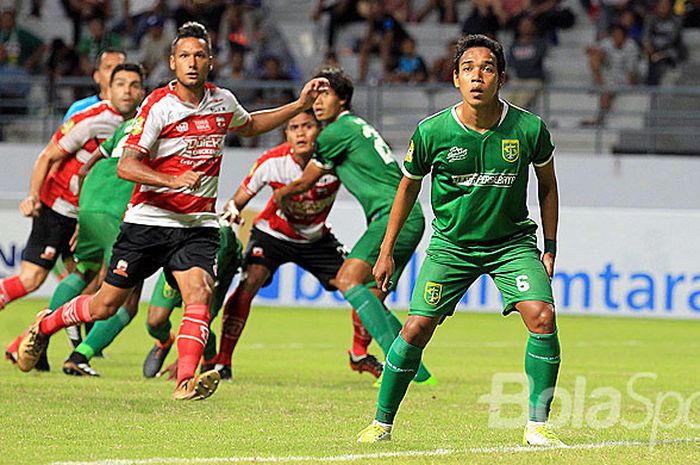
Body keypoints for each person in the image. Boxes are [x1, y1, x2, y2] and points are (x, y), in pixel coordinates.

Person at [15, 21, 329, 402]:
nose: (192, 63)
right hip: (148, 222)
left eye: (199, 55)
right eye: (184, 56)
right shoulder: (157, 106)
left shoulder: (223, 101)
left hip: (196, 225)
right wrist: (171, 180)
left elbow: (250, 125)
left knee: (199, 292)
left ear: (210, 61)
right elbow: (126, 166)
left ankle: (185, 381)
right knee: (104, 305)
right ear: (172, 61)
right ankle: (44, 325)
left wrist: (298, 105)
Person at [355, 34, 562, 446]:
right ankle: (381, 423)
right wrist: (386, 250)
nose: (477, 76)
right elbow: (407, 189)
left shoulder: (529, 128)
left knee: (542, 317)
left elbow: (548, 187)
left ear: (501, 78)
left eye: (487, 68)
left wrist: (550, 246)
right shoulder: (432, 132)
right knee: (414, 329)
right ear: (455, 79)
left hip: (511, 244)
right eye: (468, 69)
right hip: (452, 247)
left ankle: (537, 426)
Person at [273, 67, 435, 386]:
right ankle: (415, 370)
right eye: (315, 95)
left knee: (347, 278)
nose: (318, 102)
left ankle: (397, 365)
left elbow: (308, 179)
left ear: (342, 99)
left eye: (326, 95)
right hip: (408, 217)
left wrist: (282, 192)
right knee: (372, 296)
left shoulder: (335, 131)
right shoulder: (355, 128)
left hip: (392, 216)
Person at [213, 110, 382, 381]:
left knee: (368, 285)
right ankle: (223, 363)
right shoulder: (271, 162)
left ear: (319, 132)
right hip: (272, 234)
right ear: (286, 134)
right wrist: (232, 215)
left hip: (316, 239)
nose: (301, 133)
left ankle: (359, 353)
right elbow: (236, 201)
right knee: (249, 282)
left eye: (308, 126)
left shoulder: (335, 162)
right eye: (294, 128)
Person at [0, 63, 143, 316]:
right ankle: (42, 340)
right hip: (59, 209)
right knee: (32, 279)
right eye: (120, 84)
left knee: (92, 285)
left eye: (133, 85)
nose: (127, 91)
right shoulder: (92, 120)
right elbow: (47, 156)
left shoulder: (141, 124)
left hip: (87, 215)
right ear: (108, 88)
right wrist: (32, 196)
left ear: (142, 91)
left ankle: (47, 344)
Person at [142, 220, 243, 379]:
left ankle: (209, 358)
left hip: (218, 268)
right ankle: (164, 341)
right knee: (155, 320)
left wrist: (182, 362)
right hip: (179, 258)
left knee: (201, 319)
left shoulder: (221, 238)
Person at [582, 23, 639, 127]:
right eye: (614, 34)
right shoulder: (607, 43)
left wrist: (631, 87)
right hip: (606, 78)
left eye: (619, 34)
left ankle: (600, 118)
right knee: (594, 58)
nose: (616, 37)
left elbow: (631, 71)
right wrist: (593, 51)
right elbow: (591, 51)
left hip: (622, 78)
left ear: (624, 36)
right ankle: (600, 87)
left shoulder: (631, 46)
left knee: (608, 90)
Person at [64, 48, 126, 121]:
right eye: (108, 67)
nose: (115, 73)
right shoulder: (79, 109)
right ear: (97, 76)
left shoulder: (138, 114)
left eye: (120, 68)